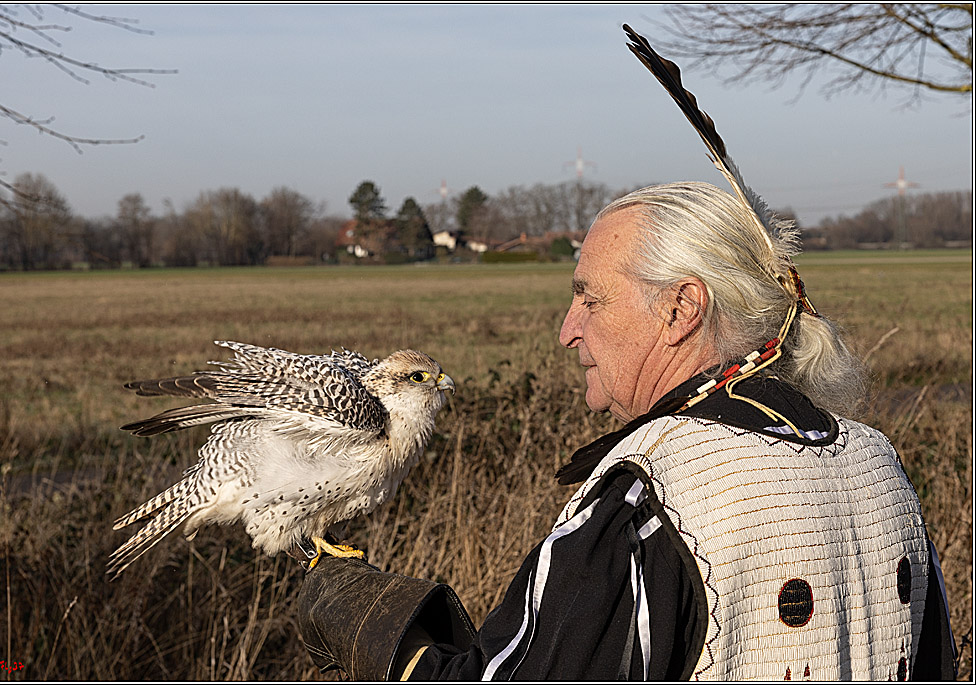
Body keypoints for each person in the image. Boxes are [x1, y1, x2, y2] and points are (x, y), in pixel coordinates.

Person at [296, 182, 957, 681]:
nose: (567, 328)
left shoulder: (654, 493)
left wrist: (383, 632)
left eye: (590, 297)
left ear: (680, 308)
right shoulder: (877, 463)